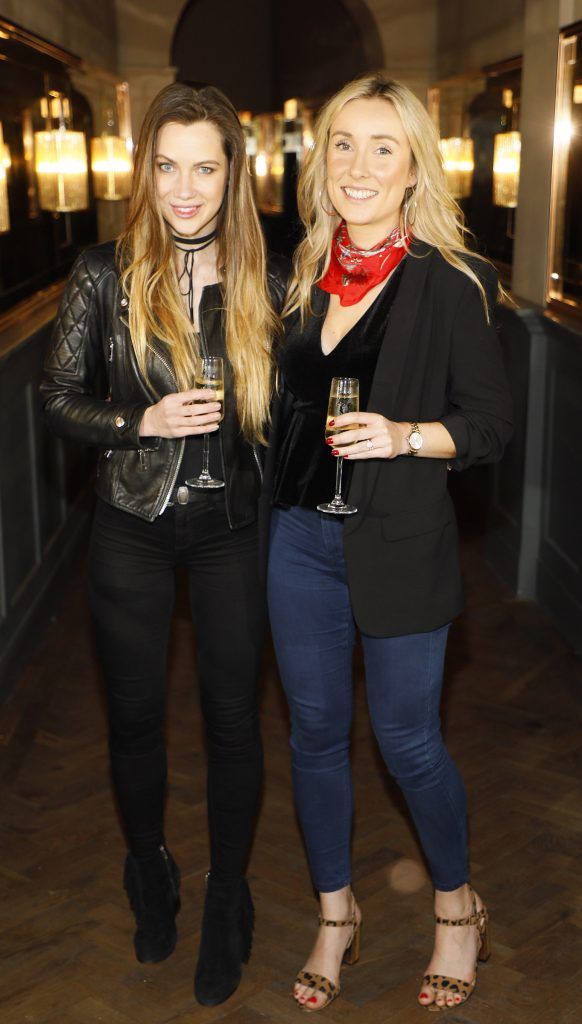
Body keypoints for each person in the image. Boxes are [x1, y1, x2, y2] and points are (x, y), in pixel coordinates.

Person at [266, 73, 512, 1013]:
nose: (358, 166)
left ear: (414, 169)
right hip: (296, 543)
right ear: (319, 160)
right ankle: (337, 914)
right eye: (342, 144)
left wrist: (406, 435)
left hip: (400, 543)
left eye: (382, 148)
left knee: (408, 742)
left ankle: (456, 906)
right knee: (317, 737)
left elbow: (489, 426)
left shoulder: (451, 285)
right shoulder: (297, 279)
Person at [41, 82, 287, 1007]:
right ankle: (150, 871)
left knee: (233, 721)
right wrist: (138, 420)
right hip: (131, 529)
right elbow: (59, 397)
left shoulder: (274, 271)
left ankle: (228, 894)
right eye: (169, 166)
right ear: (148, 169)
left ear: (233, 174)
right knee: (136, 719)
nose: (186, 189)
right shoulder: (104, 273)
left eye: (206, 168)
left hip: (234, 530)